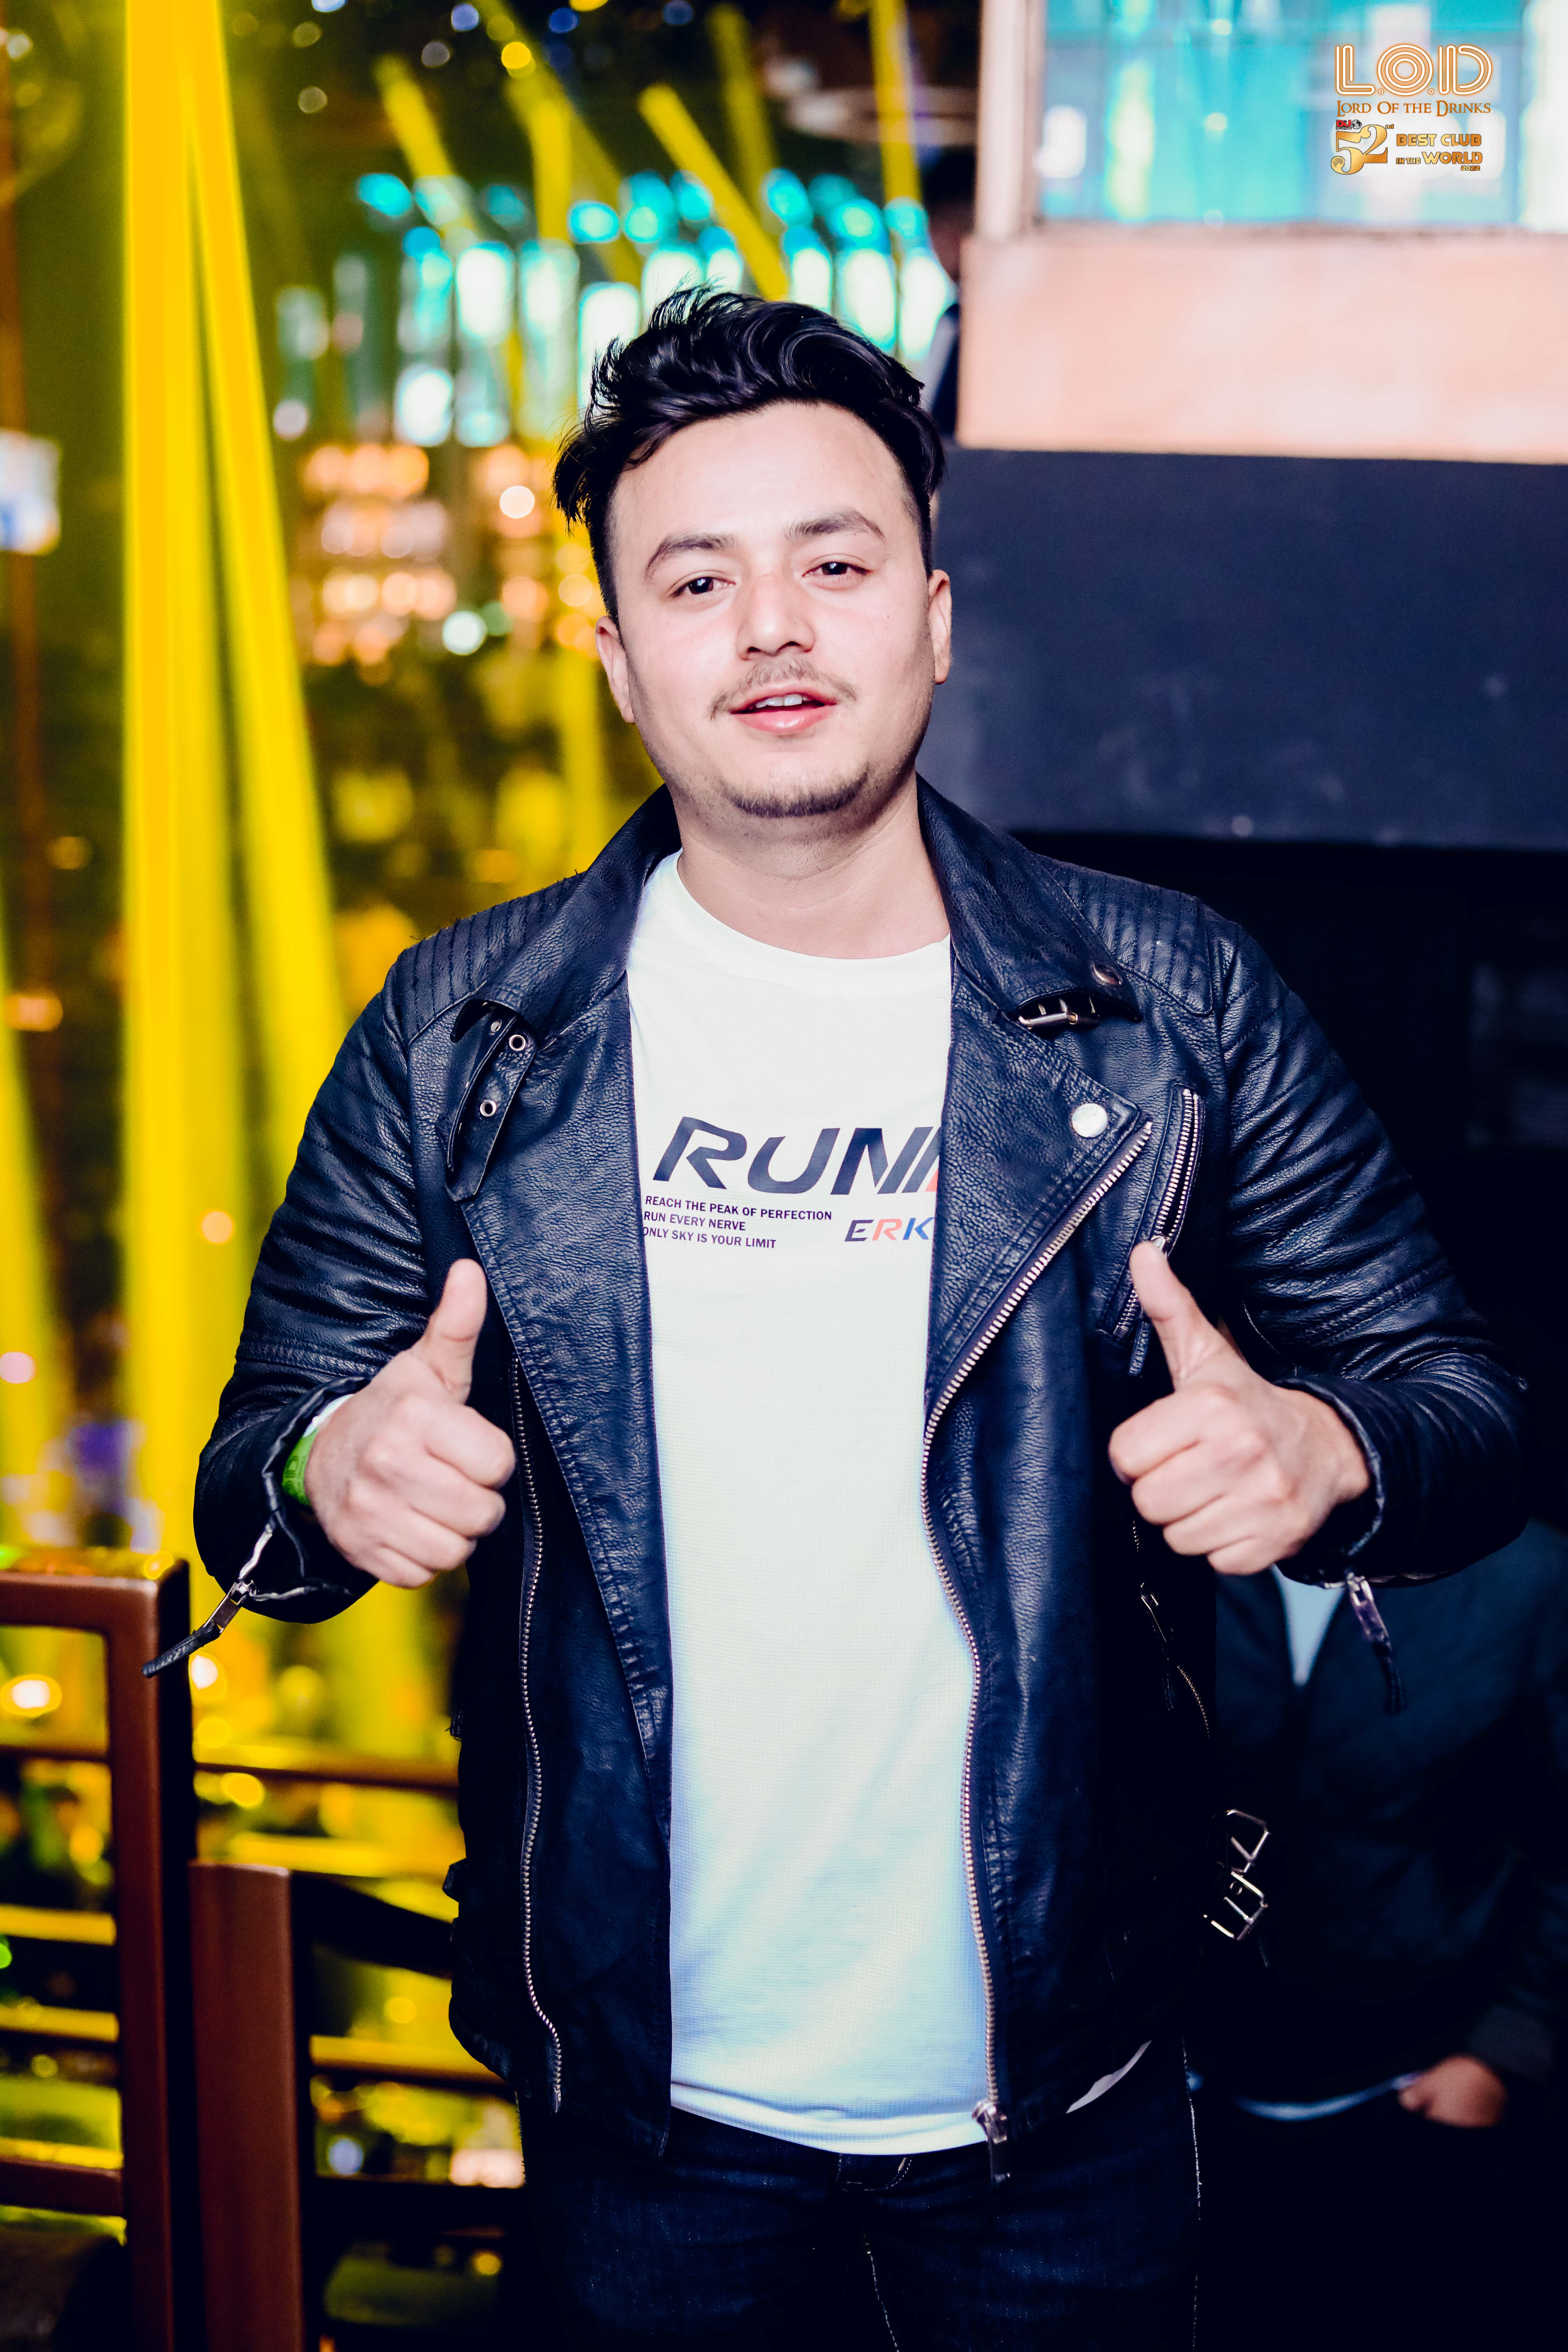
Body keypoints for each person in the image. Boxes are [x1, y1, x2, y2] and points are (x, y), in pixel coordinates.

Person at [181, 293, 1524, 2350]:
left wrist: (1327, 1449)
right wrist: (325, 1461)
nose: (771, 628)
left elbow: (1462, 1415)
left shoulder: (1173, 1001)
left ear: (934, 616)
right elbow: (249, 1496)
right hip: (642, 2106)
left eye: (834, 561)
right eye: (695, 581)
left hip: (1068, 2088)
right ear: (618, 660)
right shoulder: (464, 1034)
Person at [1194, 1522, 1568, 2352]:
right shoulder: (1156, 1544)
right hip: (1170, 2098)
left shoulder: (1527, 1575)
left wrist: (1505, 2051)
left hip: (1403, 2089)